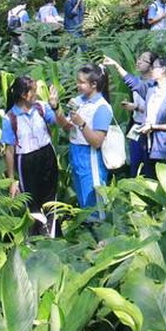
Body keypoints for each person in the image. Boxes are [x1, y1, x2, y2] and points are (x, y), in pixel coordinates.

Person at [103, 55, 166, 178]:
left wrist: (153, 127)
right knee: (145, 176)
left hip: (163, 146)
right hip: (147, 144)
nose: (151, 70)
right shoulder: (151, 90)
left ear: (164, 70)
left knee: (161, 178)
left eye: (154, 67)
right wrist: (117, 66)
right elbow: (132, 82)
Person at [1, 75, 62, 236]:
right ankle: (36, 237)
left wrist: (54, 106)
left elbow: (56, 122)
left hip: (47, 154)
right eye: (33, 91)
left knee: (51, 197)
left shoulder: (41, 107)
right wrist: (12, 179)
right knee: (31, 200)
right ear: (23, 95)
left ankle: (52, 234)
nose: (36, 94)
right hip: (26, 160)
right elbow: (9, 150)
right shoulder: (10, 118)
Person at [57, 65, 114, 219]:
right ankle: (87, 232)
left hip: (91, 156)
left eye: (81, 82)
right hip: (76, 152)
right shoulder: (77, 101)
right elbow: (66, 127)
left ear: (94, 84)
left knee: (94, 199)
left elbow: (97, 141)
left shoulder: (102, 107)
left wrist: (82, 124)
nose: (78, 85)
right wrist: (56, 108)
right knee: (82, 195)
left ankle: (100, 235)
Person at [114, 50, 155, 176]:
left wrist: (136, 107)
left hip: (151, 130)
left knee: (148, 164)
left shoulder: (156, 83)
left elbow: (157, 108)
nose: (139, 61)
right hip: (136, 126)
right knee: (135, 161)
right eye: (138, 58)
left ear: (152, 65)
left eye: (143, 60)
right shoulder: (136, 80)